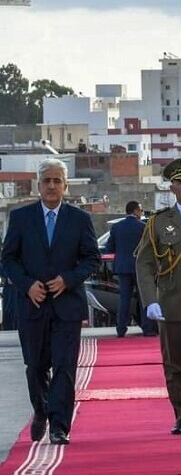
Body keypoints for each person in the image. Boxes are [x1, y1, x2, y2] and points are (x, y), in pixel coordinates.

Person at [1, 158, 100, 445]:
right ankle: (41, 410)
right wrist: (27, 285)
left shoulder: (80, 219)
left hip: (67, 306)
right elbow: (7, 259)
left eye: (57, 181)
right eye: (47, 181)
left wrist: (68, 279)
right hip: (31, 307)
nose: (52, 186)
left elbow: (92, 258)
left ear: (65, 185)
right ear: (38, 185)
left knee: (64, 366)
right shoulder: (21, 218)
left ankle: (59, 425)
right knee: (35, 366)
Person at [135, 158, 181, 436]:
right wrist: (149, 300)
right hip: (172, 300)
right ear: (172, 186)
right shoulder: (159, 221)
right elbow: (143, 263)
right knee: (176, 363)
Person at [106, 200, 152, 337]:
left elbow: (109, 247)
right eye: (141, 210)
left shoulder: (116, 227)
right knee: (144, 298)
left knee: (124, 299)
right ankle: (147, 329)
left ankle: (121, 329)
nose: (142, 213)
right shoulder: (143, 227)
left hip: (122, 267)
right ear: (136, 211)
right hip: (140, 268)